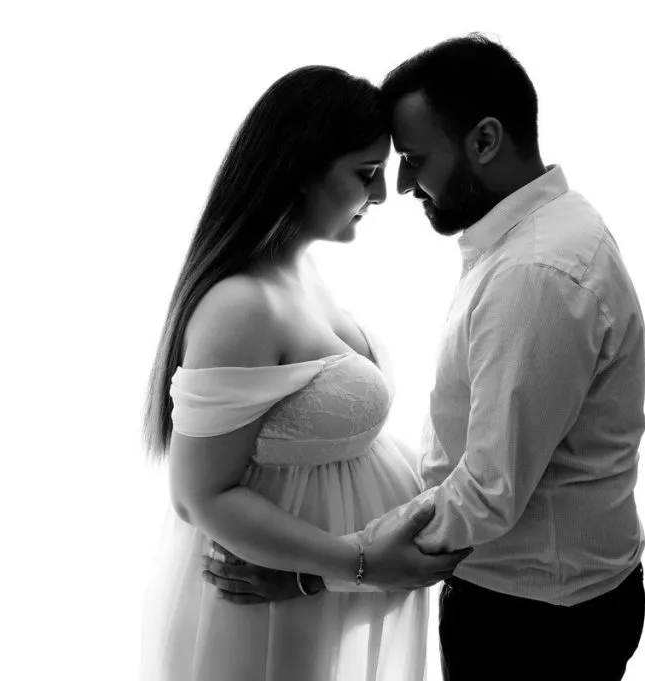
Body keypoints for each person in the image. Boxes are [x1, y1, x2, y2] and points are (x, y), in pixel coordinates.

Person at [206, 34, 645, 680]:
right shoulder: (540, 234)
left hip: (533, 625)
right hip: (555, 603)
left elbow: (487, 494)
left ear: (485, 141)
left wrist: (319, 571)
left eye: (415, 158)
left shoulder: (535, 271)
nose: (404, 182)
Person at [140, 65, 472, 681]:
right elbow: (197, 494)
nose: (380, 196)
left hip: (310, 594)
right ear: (299, 171)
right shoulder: (240, 305)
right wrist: (355, 562)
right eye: (365, 174)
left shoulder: (298, 270)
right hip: (265, 609)